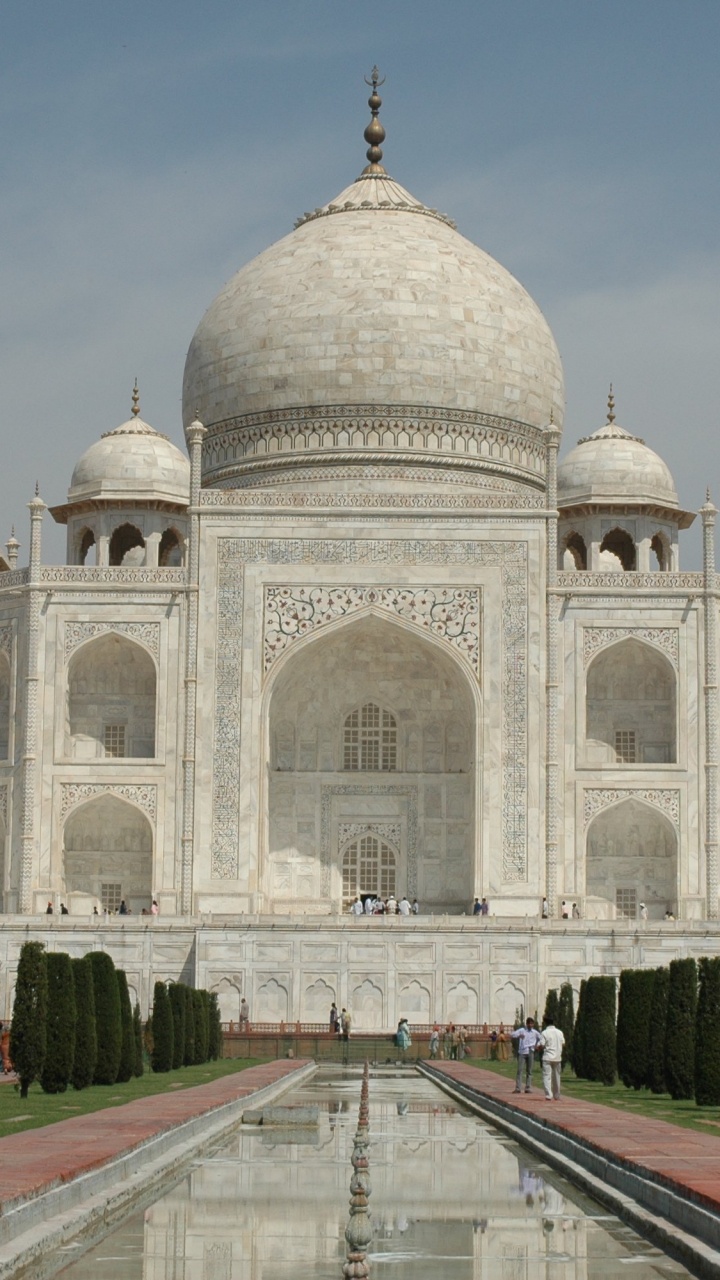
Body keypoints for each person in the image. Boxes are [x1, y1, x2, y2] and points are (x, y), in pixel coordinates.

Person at [511, 1017, 543, 1093]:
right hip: (522, 1052)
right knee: (520, 1070)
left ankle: (528, 1087)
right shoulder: (522, 1031)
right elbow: (512, 1034)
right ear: (526, 1024)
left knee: (529, 1071)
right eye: (529, 1023)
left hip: (530, 1051)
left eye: (531, 1023)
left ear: (533, 1024)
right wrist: (519, 1036)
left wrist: (537, 1045)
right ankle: (518, 1088)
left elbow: (541, 1039)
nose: (530, 1025)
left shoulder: (535, 1032)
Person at [540, 1014, 565, 1100]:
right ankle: (557, 1095)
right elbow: (563, 1043)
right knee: (557, 1077)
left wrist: (537, 1047)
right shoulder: (559, 1032)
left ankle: (548, 1095)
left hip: (547, 1056)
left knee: (547, 1076)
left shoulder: (544, 1033)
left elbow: (542, 1045)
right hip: (557, 1057)